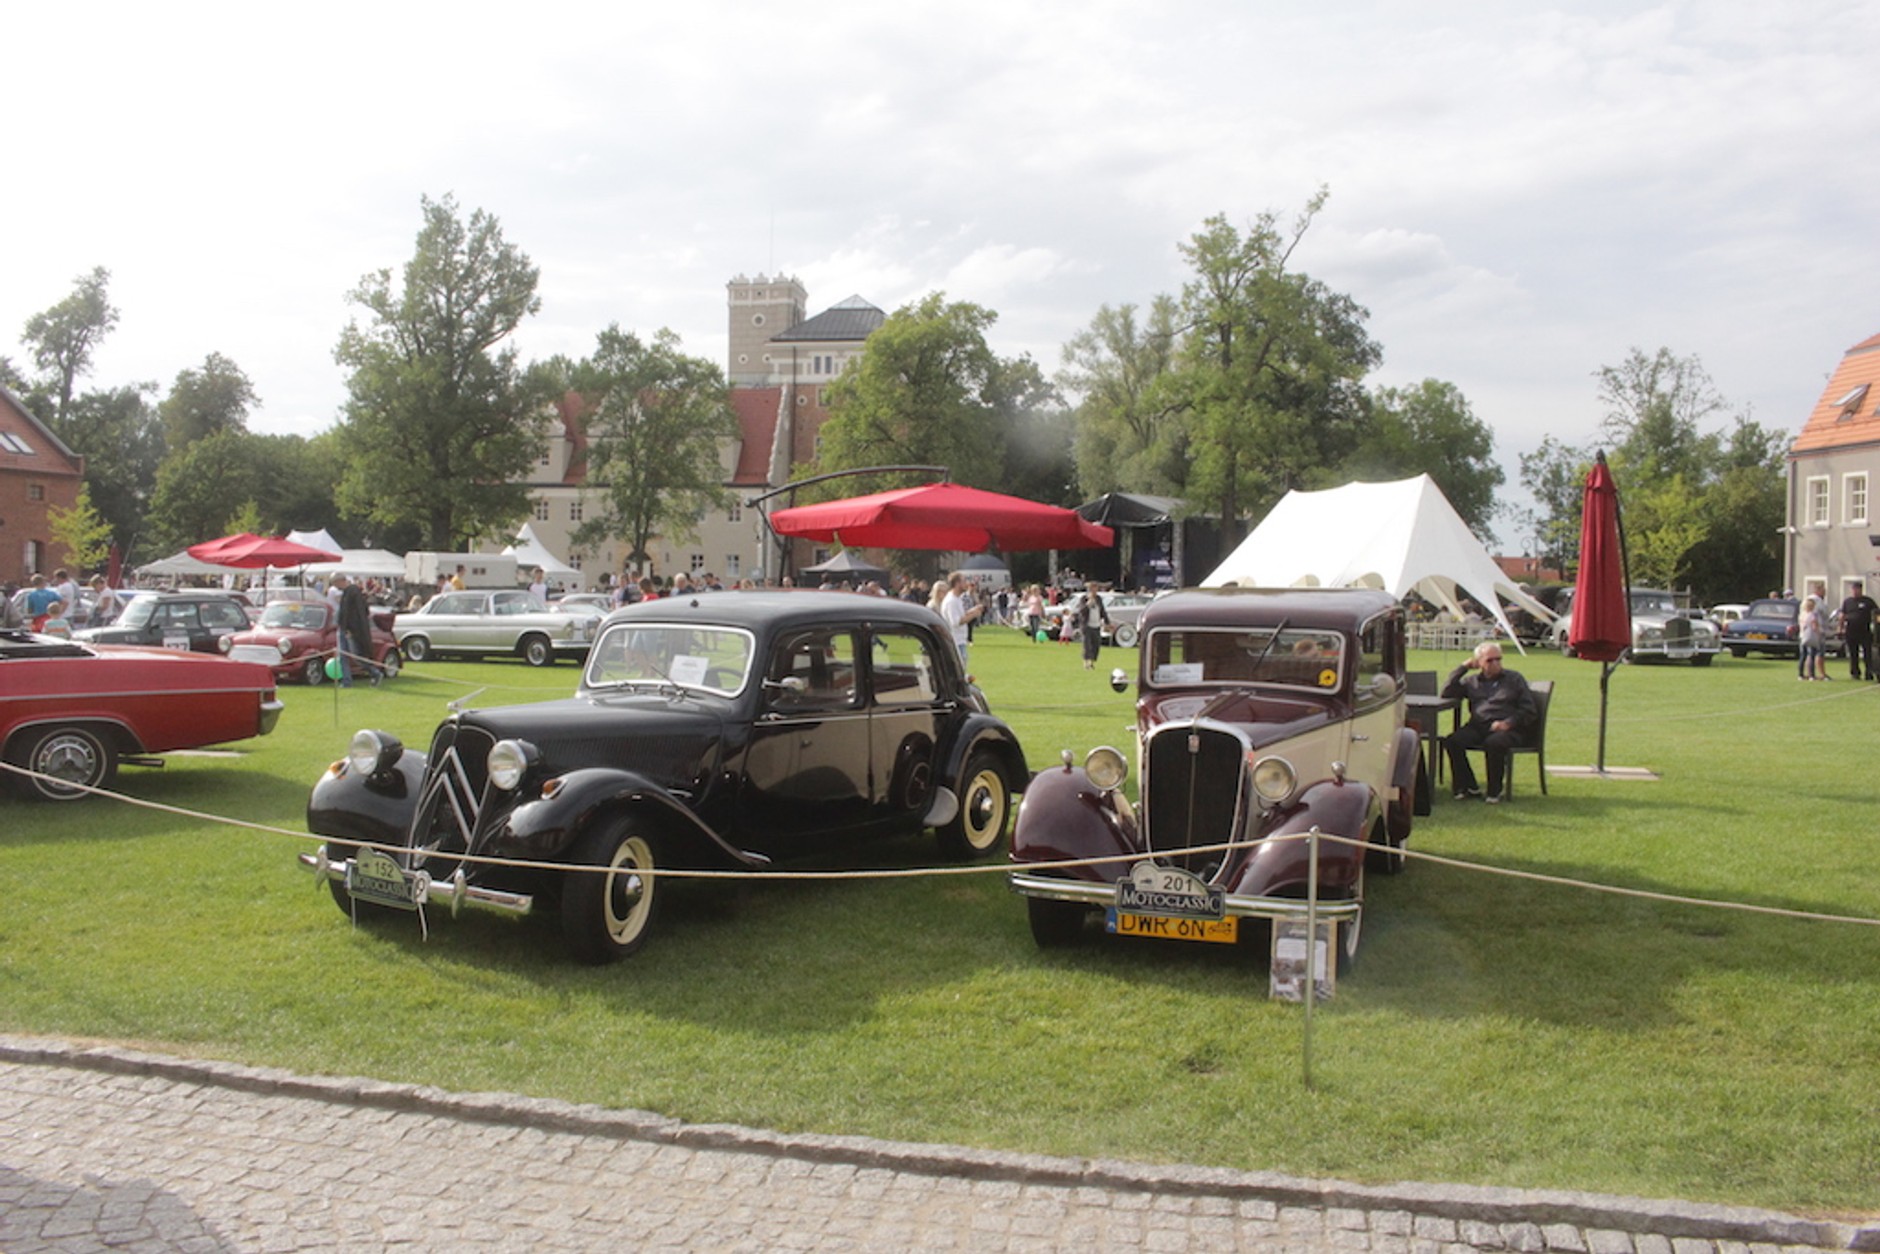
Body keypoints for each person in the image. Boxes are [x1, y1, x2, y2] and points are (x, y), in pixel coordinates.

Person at [1442, 641, 1538, 803]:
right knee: (1453, 741)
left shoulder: (1514, 679)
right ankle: (1468, 786)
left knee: (1494, 742)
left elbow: (1529, 710)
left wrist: (1508, 723)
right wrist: (1462, 668)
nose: (1495, 664)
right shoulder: (1472, 681)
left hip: (1509, 729)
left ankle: (1494, 791)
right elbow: (1446, 692)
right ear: (1478, 662)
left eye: (1498, 659)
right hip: (1478, 726)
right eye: (1489, 660)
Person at [336, 576, 378, 687]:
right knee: (342, 656)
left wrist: (350, 629)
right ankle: (346, 681)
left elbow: (354, 614)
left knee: (356, 656)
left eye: (336, 584)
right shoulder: (347, 593)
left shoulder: (353, 593)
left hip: (351, 630)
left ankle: (375, 672)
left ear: (341, 581)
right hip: (343, 628)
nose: (336, 587)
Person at [939, 572, 982, 667]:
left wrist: (972, 611)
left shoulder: (957, 599)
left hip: (960, 640)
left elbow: (961, 615)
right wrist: (974, 614)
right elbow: (956, 622)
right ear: (957, 583)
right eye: (964, 581)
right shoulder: (951, 601)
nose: (966, 584)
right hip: (955, 641)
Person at [1838, 582, 1879, 681]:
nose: (1855, 591)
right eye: (1853, 589)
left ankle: (1869, 673)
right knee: (1853, 654)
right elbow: (1842, 615)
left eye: (1857, 589)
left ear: (1861, 589)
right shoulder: (1847, 602)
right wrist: (1840, 628)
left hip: (1865, 631)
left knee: (1867, 654)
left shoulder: (1868, 601)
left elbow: (1877, 614)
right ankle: (1855, 673)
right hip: (1851, 631)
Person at [1071, 585, 1111, 669]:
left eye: (1095, 589)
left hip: (1096, 625)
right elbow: (1081, 611)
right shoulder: (1084, 599)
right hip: (1087, 626)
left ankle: (1092, 662)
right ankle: (1086, 663)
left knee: (1096, 644)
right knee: (1087, 645)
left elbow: (1102, 611)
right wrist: (1088, 604)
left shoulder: (1099, 599)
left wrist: (1107, 622)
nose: (1094, 591)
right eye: (1092, 589)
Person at [1797, 596, 1827, 681]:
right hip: (1811, 636)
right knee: (1812, 655)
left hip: (1802, 636)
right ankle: (1811, 675)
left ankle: (1801, 674)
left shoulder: (1802, 615)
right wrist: (1820, 633)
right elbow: (1814, 626)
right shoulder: (1812, 615)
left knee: (1803, 655)